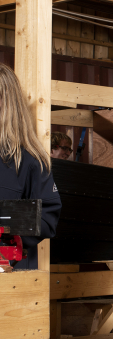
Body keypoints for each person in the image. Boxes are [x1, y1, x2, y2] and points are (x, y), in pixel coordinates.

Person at [0, 64, 61, 270]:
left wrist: (8, 225)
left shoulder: (29, 161)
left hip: (10, 274)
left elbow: (47, 220)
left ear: (5, 104)